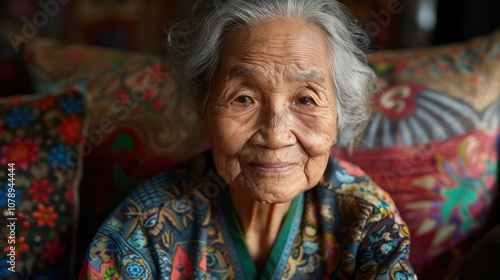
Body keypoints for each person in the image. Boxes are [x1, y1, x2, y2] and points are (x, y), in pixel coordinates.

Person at [80, 0, 416, 279]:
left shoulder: (366, 219)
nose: (275, 134)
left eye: (305, 99)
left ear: (338, 115)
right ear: (205, 112)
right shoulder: (143, 229)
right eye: (243, 98)